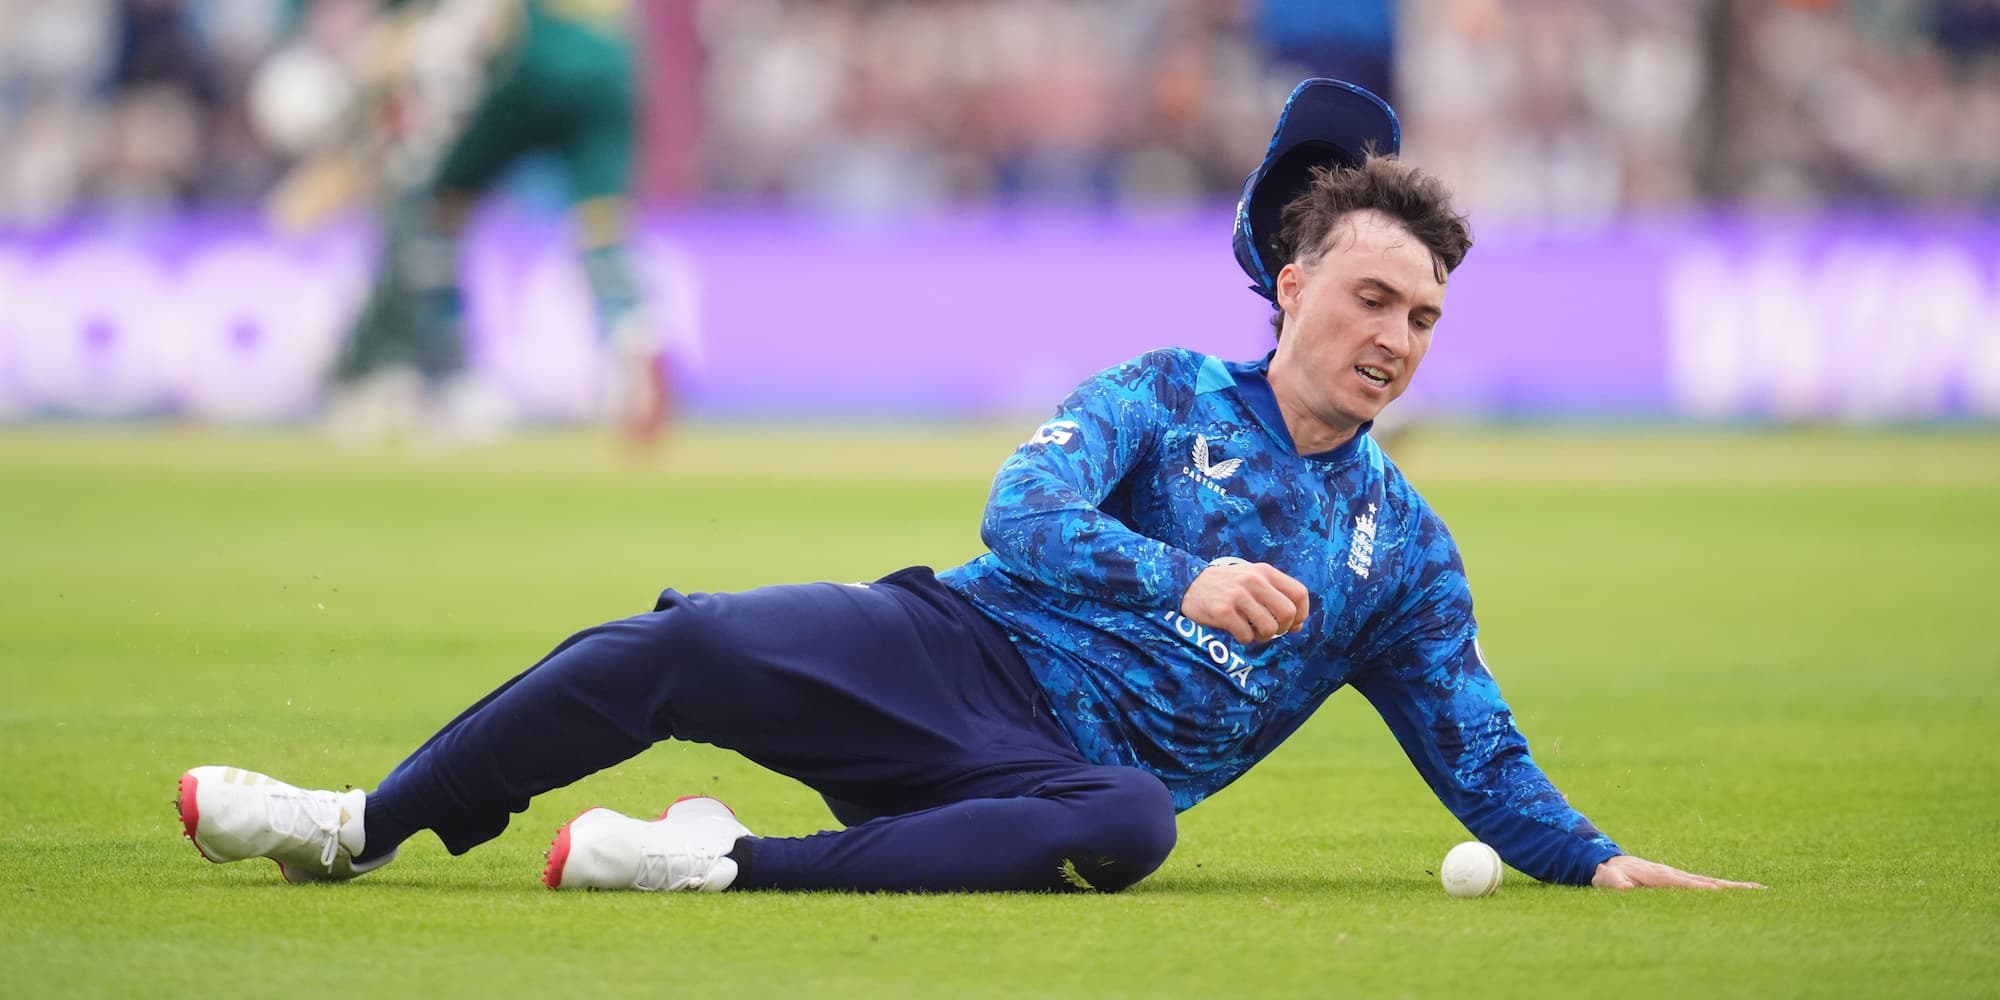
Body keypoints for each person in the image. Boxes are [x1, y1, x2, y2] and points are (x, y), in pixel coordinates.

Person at [177, 79, 1760, 895]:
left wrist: (1588, 856)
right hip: (949, 649)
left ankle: (715, 862)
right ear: (1292, 285)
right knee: (683, 645)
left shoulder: (1399, 553)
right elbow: (1020, 518)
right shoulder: (1164, 392)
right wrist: (1186, 577)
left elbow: (1475, 746)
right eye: (1370, 299)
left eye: (1422, 318)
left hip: (1047, 779)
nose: (1395, 340)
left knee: (1132, 824)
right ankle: (358, 824)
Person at [322, 0, 667, 447]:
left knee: (438, 210)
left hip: (534, 58)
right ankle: (630, 334)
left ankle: (451, 375)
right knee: (603, 226)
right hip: (611, 66)